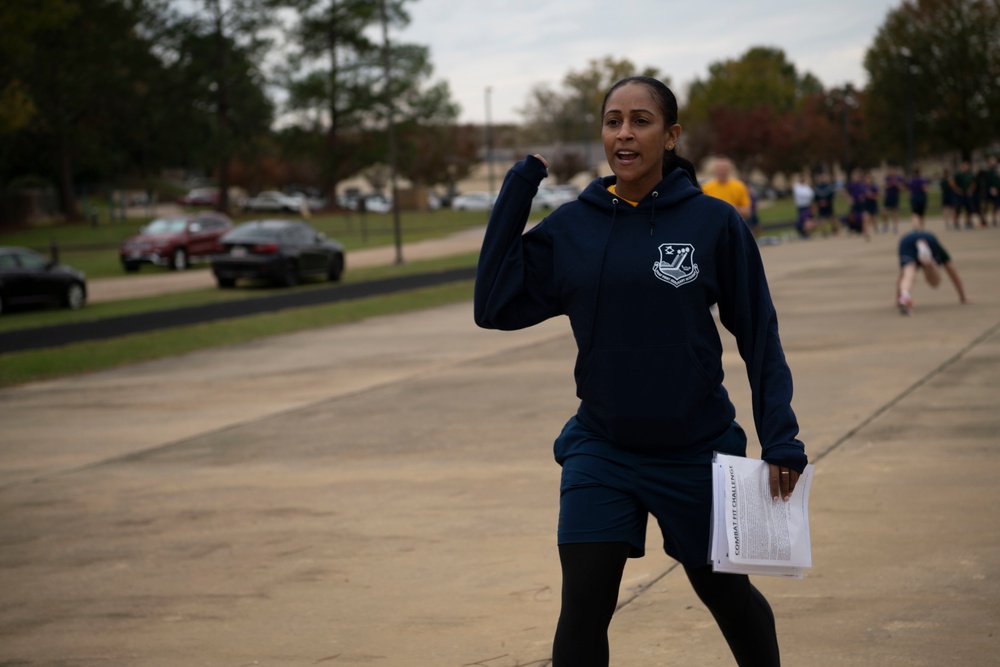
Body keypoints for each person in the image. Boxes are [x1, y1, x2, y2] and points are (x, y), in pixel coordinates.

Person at [475, 75, 806, 667]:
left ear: (670, 135)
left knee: (729, 599)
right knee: (583, 606)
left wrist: (779, 435)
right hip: (602, 448)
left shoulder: (711, 223)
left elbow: (759, 333)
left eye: (641, 120)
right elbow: (493, 304)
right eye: (612, 121)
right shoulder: (575, 227)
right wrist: (519, 185)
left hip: (695, 450)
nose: (624, 133)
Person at [896, 230, 970, 315]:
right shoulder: (938, 247)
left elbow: (900, 278)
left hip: (907, 240)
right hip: (929, 239)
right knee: (935, 282)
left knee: (908, 273)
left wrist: (897, 299)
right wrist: (963, 297)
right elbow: (952, 272)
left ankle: (904, 295)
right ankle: (928, 260)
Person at [702, 156, 752, 221]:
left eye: (724, 169)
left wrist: (733, 208)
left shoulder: (739, 186)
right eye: (719, 169)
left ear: (729, 169)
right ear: (715, 170)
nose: (722, 171)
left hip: (733, 224)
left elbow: (747, 212)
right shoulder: (706, 188)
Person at [951, 160, 978, 229]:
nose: (967, 167)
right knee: (957, 208)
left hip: (967, 193)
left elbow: (973, 183)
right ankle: (956, 222)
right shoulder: (958, 174)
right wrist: (956, 189)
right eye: (965, 166)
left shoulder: (970, 175)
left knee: (969, 209)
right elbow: (952, 182)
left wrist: (971, 190)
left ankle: (967, 221)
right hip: (959, 194)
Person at [846, 169, 871, 239]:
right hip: (855, 204)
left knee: (865, 217)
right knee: (852, 217)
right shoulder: (851, 185)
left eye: (858, 176)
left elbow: (867, 193)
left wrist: (865, 196)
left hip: (862, 204)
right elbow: (846, 192)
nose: (856, 178)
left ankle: (866, 232)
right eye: (855, 176)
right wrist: (849, 199)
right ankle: (852, 228)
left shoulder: (863, 185)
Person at [977, 155, 999, 227]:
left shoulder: (996, 170)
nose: (994, 162)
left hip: (996, 189)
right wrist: (991, 188)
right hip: (988, 189)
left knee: (995, 205)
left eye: (994, 161)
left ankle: (994, 218)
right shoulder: (986, 171)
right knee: (986, 204)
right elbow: (983, 180)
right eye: (992, 161)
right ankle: (983, 218)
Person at [882, 167, 905, 233]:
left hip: (895, 197)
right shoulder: (887, 178)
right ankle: (886, 224)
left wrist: (896, 183)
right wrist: (890, 184)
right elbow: (884, 186)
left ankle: (895, 226)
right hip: (888, 196)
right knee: (884, 211)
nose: (890, 172)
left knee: (895, 212)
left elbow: (902, 188)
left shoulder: (899, 178)